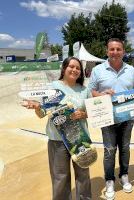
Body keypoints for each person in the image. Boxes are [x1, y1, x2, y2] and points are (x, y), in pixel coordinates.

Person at [22, 57, 92, 200]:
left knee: (83, 175)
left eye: (78, 68)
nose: (75, 70)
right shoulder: (52, 87)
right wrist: (36, 107)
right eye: (71, 66)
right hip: (57, 140)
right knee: (60, 177)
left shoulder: (84, 90)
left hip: (80, 139)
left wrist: (83, 114)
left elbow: (93, 112)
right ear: (64, 68)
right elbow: (42, 113)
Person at [88, 38, 134, 200]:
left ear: (123, 51)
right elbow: (91, 91)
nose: (115, 52)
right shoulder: (98, 70)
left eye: (118, 49)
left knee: (125, 148)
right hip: (107, 118)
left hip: (127, 117)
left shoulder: (131, 70)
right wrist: (102, 95)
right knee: (109, 151)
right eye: (112, 49)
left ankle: (124, 175)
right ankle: (109, 180)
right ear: (107, 51)